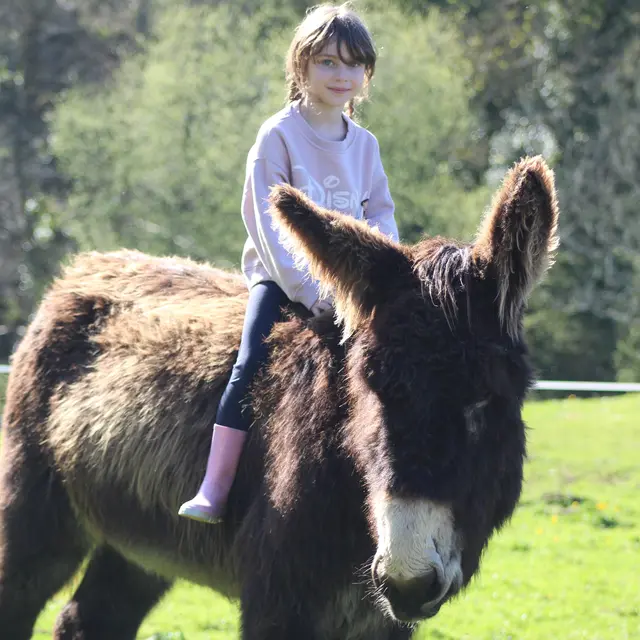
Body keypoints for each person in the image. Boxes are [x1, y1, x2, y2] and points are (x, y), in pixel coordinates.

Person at [178, 2, 399, 524]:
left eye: (352, 65)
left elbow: (382, 213)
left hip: (351, 284)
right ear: (301, 65)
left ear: (366, 74)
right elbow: (264, 219)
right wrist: (305, 289)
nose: (341, 75)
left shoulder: (365, 145)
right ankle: (216, 487)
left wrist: (381, 269)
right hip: (282, 280)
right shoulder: (278, 135)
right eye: (327, 62)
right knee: (250, 364)